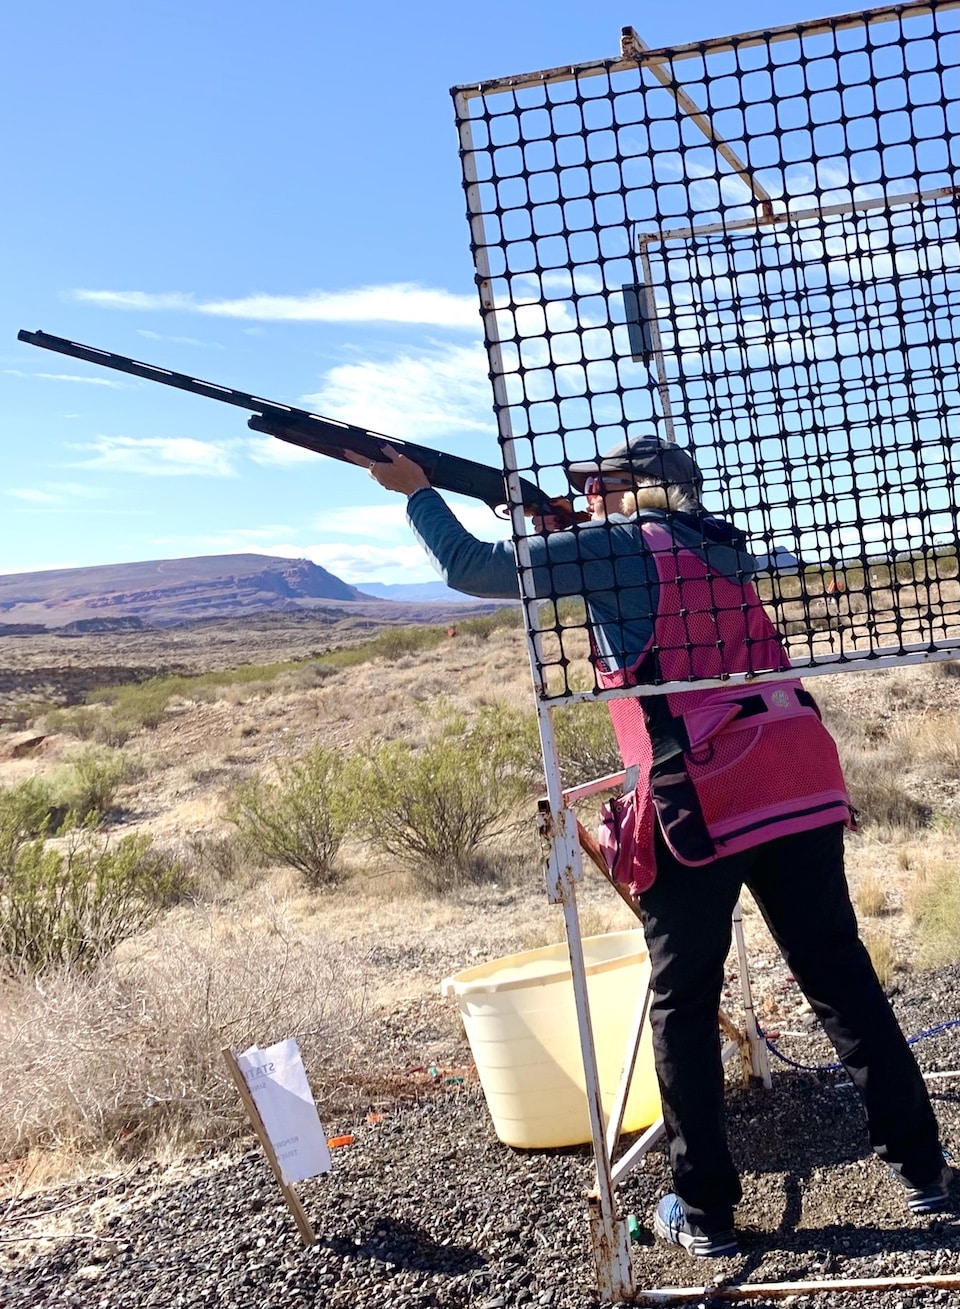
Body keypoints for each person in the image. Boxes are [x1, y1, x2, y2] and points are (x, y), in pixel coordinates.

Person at [357, 436, 952, 1258]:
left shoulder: (616, 544)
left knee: (681, 1004)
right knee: (842, 979)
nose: (588, 495)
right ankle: (925, 1169)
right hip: (800, 773)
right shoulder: (725, 547)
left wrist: (415, 490)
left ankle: (705, 1212)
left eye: (598, 484)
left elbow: (469, 566)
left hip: (702, 799)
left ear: (632, 492)